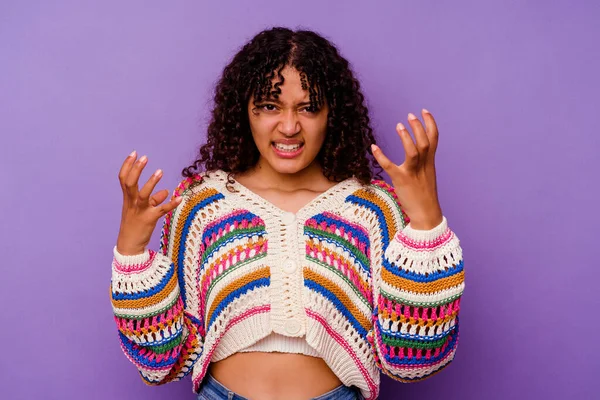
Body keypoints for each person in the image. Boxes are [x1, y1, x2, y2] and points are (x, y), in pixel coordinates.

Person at [110, 27, 465, 400]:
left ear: (333, 114)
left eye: (309, 107)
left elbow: (413, 362)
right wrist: (131, 251)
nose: (290, 126)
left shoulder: (372, 209)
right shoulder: (202, 204)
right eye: (269, 106)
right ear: (242, 110)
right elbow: (162, 362)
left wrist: (427, 225)